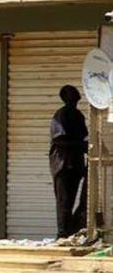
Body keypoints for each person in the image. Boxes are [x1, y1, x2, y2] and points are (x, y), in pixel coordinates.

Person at [51, 85, 88, 239]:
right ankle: (62, 234)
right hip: (63, 164)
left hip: (76, 164)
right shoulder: (61, 115)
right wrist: (81, 145)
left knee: (78, 199)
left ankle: (71, 230)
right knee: (64, 202)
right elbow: (59, 139)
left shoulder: (78, 115)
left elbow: (84, 136)